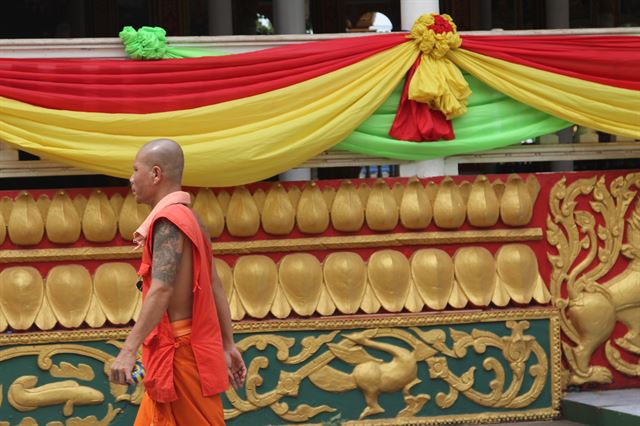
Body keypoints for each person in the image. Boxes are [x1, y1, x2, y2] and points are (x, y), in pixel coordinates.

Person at [109, 139, 246, 425]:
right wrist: (228, 343)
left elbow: (162, 288)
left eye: (136, 170)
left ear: (156, 174)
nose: (131, 178)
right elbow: (214, 284)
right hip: (185, 351)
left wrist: (128, 350)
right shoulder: (192, 218)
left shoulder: (168, 222)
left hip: (180, 354)